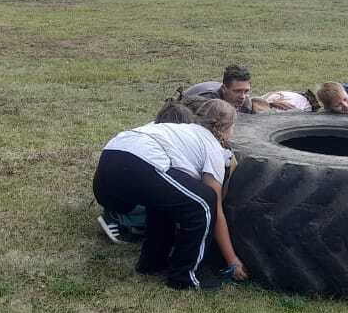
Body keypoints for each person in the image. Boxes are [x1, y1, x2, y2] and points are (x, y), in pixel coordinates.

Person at [92, 99, 248, 290]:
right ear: (225, 129)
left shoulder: (180, 131)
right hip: (138, 160)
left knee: (167, 201)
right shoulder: (212, 146)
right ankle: (185, 276)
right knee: (204, 202)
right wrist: (232, 260)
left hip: (110, 157)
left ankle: (152, 263)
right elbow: (214, 208)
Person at [98, 100, 197, 244]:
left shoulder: (143, 130)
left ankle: (122, 214)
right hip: (123, 195)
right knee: (173, 200)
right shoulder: (171, 141)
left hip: (103, 184)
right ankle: (122, 219)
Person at [183, 63, 254, 113]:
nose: (242, 96)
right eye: (237, 91)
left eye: (246, 91)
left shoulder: (244, 102)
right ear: (224, 89)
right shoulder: (208, 103)